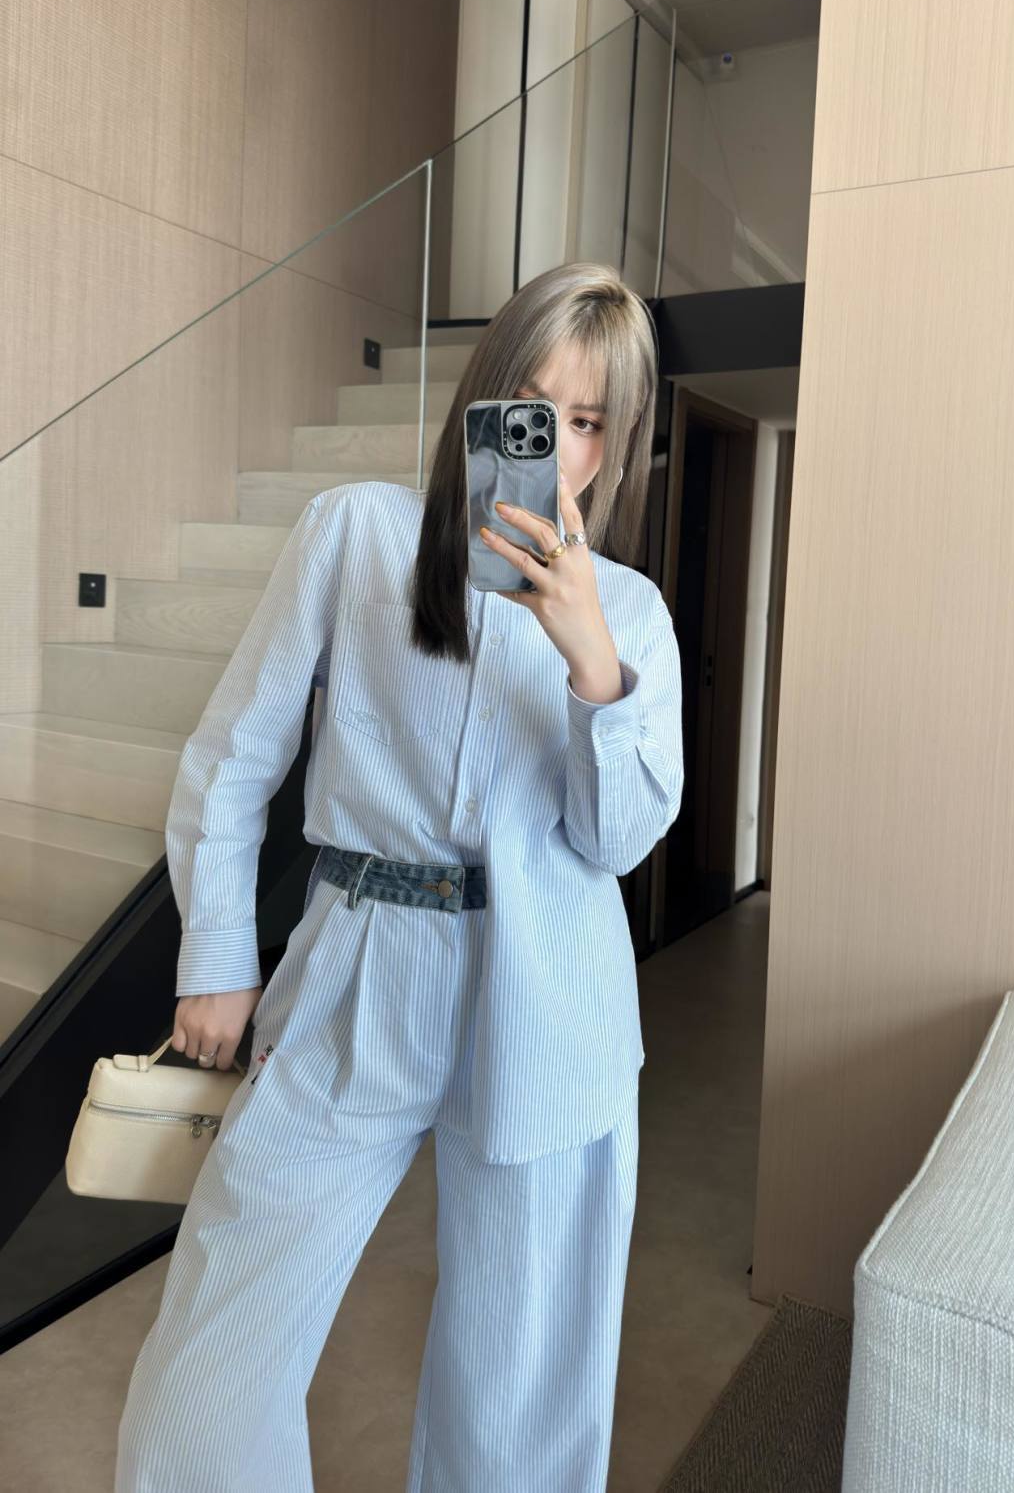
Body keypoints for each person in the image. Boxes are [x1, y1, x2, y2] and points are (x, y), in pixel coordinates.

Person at [114, 260, 685, 1492]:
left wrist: (591, 659)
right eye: (533, 409)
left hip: (551, 995)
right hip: (357, 966)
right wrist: (218, 956)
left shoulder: (630, 613)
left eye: (588, 421)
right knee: (213, 1361)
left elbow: (619, 843)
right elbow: (234, 755)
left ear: (619, 442)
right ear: (483, 399)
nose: (558, 446)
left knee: (523, 1395)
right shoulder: (355, 532)